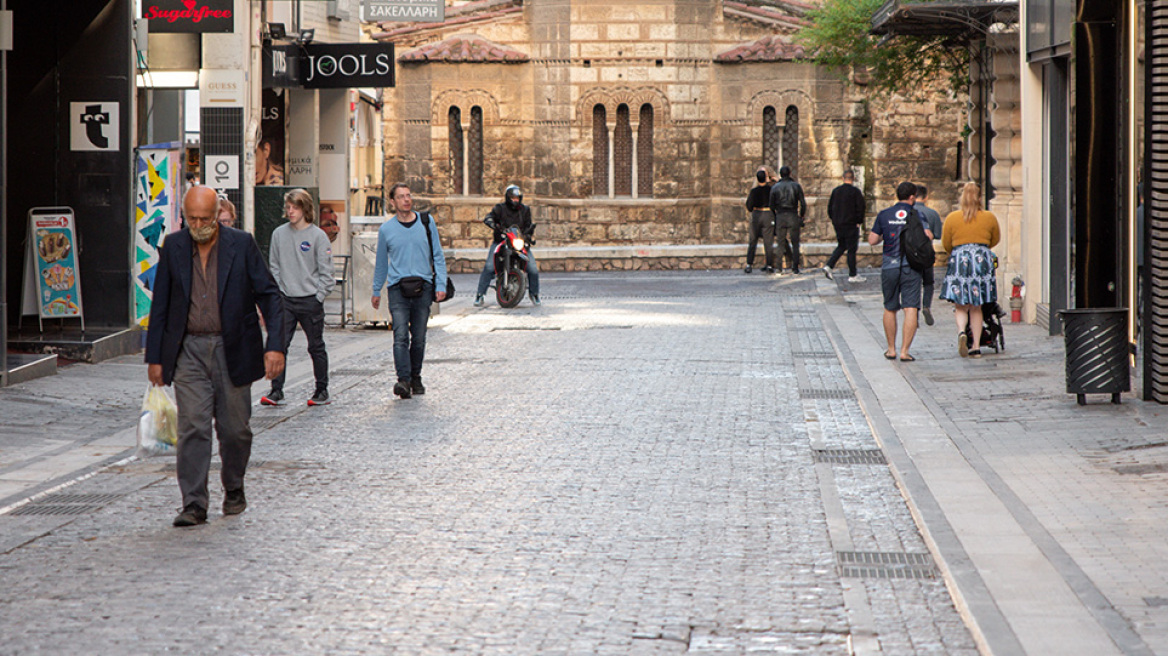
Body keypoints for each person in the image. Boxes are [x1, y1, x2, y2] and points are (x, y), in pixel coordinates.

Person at [145, 186, 285, 527]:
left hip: (233, 347)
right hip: (189, 350)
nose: (199, 225)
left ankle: (233, 486)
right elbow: (160, 305)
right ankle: (194, 503)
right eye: (192, 218)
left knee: (235, 430)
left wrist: (275, 345)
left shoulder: (242, 244)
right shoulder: (174, 247)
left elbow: (269, 294)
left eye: (205, 218)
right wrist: (155, 358)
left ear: (217, 214)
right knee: (193, 427)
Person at [371, 183, 448, 399]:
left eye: (408, 195)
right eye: (401, 197)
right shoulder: (386, 230)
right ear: (393, 202)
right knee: (400, 335)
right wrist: (377, 290)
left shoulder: (426, 222)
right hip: (397, 288)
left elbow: (438, 255)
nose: (406, 200)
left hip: (423, 286)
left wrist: (440, 284)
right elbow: (381, 264)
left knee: (420, 337)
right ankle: (403, 380)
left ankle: (416, 376)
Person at [262, 189, 336, 407]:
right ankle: (276, 390)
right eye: (288, 207)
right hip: (285, 299)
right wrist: (278, 293)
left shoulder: (318, 236)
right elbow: (273, 265)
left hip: (310, 299)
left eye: (295, 207)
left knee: (315, 346)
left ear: (305, 209)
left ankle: (322, 389)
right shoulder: (278, 234)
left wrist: (319, 296)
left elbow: (326, 271)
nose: (290, 211)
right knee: (280, 344)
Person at [939, 182, 1001, 358]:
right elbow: (995, 239)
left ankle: (961, 332)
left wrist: (959, 252)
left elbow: (946, 243)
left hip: (960, 258)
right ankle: (975, 346)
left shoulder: (952, 218)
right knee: (976, 306)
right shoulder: (989, 217)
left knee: (960, 305)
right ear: (979, 197)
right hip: (981, 258)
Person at [869, 181, 924, 362]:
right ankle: (904, 351)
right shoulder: (917, 214)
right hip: (911, 266)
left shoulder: (884, 214)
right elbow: (929, 236)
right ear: (912, 197)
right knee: (910, 308)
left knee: (890, 307)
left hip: (890, 265)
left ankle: (891, 349)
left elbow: (872, 240)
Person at [474, 185, 541, 306]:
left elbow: (528, 226)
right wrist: (492, 223)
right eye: (513, 197)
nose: (515, 200)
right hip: (502, 241)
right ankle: (480, 295)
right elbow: (490, 217)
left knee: (533, 269)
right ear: (508, 197)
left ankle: (534, 294)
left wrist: (528, 236)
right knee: (489, 267)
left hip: (518, 242)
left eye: (517, 198)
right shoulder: (500, 208)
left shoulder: (525, 210)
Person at [823, 169, 866, 282]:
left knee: (842, 245)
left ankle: (829, 265)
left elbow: (830, 208)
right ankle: (852, 274)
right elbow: (860, 208)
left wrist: (835, 220)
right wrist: (859, 221)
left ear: (843, 178)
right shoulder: (855, 192)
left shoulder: (836, 191)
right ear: (853, 179)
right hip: (851, 225)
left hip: (839, 224)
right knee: (851, 250)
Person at [914, 185, 944, 326]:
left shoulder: (909, 211)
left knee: (913, 283)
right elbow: (938, 234)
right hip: (926, 252)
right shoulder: (932, 213)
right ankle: (926, 305)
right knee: (928, 282)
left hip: (909, 253)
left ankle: (913, 312)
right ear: (926, 197)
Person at [769, 165, 807, 274]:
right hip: (792, 215)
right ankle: (795, 267)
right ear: (790, 173)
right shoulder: (796, 186)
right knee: (795, 243)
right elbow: (803, 203)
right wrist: (801, 215)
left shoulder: (775, 187)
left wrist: (775, 215)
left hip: (780, 215)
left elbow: (771, 205)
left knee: (780, 243)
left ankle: (779, 268)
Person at [744, 168, 776, 274]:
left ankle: (749, 264)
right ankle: (770, 265)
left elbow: (749, 206)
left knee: (753, 240)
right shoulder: (771, 189)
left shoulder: (754, 191)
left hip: (757, 215)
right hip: (768, 215)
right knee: (768, 241)